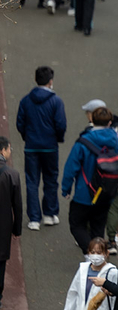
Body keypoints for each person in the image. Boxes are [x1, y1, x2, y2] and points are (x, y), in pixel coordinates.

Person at [61, 107, 118, 253]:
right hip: (106, 193)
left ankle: (91, 253)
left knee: (76, 225)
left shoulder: (83, 142)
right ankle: (99, 258)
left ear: (91, 120)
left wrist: (66, 188)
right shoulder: (115, 140)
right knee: (98, 227)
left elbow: (71, 167)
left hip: (85, 192)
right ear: (109, 122)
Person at [15, 66, 67, 229]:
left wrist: (27, 137)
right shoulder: (56, 101)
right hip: (50, 147)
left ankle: (34, 219)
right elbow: (60, 124)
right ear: (50, 82)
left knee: (32, 181)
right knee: (51, 179)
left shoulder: (25, 100)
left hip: (31, 147)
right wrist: (57, 139)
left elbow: (20, 123)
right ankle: (49, 214)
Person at [82, 100, 118, 256]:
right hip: (114, 177)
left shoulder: (88, 133)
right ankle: (111, 241)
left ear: (93, 115)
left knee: (93, 204)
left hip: (95, 178)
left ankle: (93, 238)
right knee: (113, 208)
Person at [0, 137, 21, 310]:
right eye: (9, 149)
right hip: (3, 224)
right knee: (1, 260)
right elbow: (18, 205)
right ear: (3, 150)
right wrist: (17, 228)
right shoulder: (12, 175)